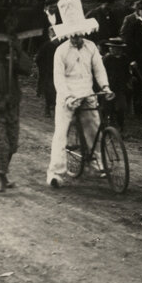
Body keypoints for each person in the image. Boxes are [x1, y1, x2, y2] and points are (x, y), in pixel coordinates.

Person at [47, 32, 113, 188]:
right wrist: (67, 96)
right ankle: (55, 173)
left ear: (82, 33)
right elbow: (58, 77)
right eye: (72, 35)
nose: (75, 38)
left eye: (78, 35)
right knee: (61, 132)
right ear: (68, 35)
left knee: (94, 128)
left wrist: (105, 86)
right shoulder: (61, 51)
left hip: (87, 93)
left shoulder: (90, 47)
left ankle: (97, 164)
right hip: (68, 95)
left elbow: (99, 68)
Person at [0, 38, 32, 192]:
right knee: (1, 143)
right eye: (2, 48)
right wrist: (2, 101)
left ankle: (3, 172)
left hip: (13, 111)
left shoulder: (11, 66)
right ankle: (0, 176)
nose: (5, 51)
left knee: (12, 144)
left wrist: (19, 50)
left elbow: (28, 70)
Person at [101, 38, 131, 135]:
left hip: (120, 87)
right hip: (108, 87)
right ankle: (106, 127)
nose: (114, 50)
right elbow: (101, 73)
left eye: (117, 48)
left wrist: (128, 81)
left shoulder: (124, 58)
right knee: (107, 108)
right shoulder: (106, 59)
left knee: (121, 107)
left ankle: (121, 127)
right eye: (112, 48)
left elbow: (127, 72)